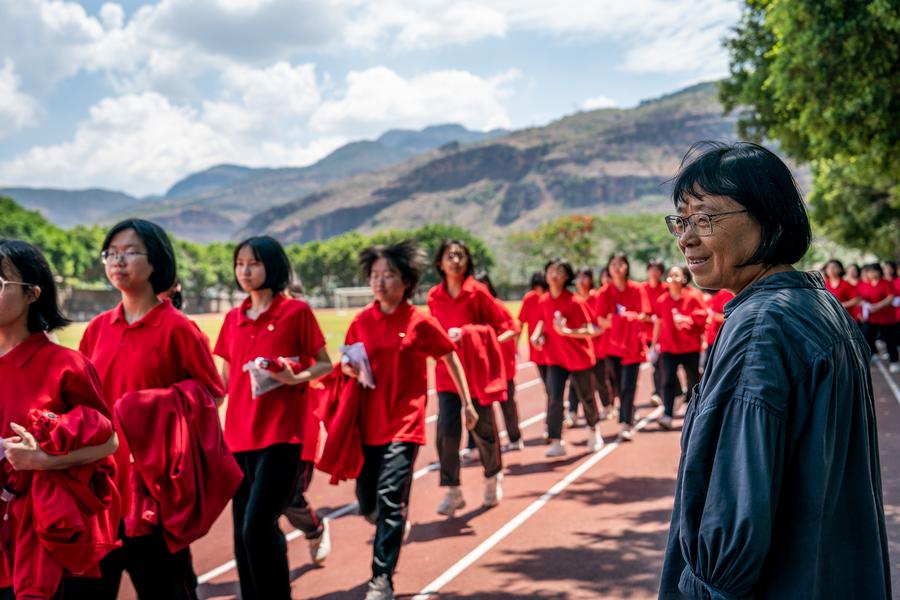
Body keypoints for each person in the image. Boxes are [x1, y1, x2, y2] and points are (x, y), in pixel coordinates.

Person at [659, 142, 890, 599]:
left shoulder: (761, 327)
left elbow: (732, 518)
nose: (686, 237)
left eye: (705, 218)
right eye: (681, 221)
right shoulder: (818, 305)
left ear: (771, 219)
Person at [72, 219, 225, 600]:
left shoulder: (178, 328)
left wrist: (151, 405)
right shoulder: (97, 329)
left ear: (155, 262)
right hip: (100, 493)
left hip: (154, 493)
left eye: (130, 252)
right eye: (111, 253)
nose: (117, 261)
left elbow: (211, 395)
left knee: (167, 590)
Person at [346, 241, 472, 600]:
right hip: (368, 424)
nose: (380, 282)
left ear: (407, 281)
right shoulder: (360, 322)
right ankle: (392, 521)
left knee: (388, 498)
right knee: (367, 500)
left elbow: (449, 356)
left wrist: (467, 403)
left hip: (404, 423)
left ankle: (380, 579)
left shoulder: (419, 321)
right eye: (375, 275)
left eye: (389, 275)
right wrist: (348, 368)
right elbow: (349, 361)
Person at [213, 237, 333, 600]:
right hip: (238, 437)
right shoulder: (233, 319)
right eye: (239, 264)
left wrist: (293, 376)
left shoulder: (296, 312)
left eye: (254, 263)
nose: (244, 271)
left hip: (283, 437)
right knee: (240, 534)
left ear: (273, 267)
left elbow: (324, 363)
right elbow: (223, 381)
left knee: (257, 526)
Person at [0, 240, 119, 599]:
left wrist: (44, 460)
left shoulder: (66, 365)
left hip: (40, 535)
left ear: (32, 293)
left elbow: (108, 441)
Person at [427, 240, 512, 516]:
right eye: (449, 255)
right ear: (440, 263)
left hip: (477, 377)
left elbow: (508, 326)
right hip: (447, 377)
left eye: (460, 255)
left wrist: (473, 338)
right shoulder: (433, 297)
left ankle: (492, 477)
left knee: (484, 432)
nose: (455, 260)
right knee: (446, 435)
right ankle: (453, 491)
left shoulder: (478, 293)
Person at [529, 258, 605, 457]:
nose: (554, 274)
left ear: (566, 277)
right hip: (555, 358)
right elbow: (543, 324)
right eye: (551, 270)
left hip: (578, 358)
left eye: (560, 271)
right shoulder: (544, 300)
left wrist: (567, 331)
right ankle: (556, 440)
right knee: (554, 398)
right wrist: (537, 336)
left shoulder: (575, 301)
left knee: (586, 397)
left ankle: (593, 430)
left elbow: (591, 330)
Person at [594, 253, 651, 440]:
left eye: (621, 264)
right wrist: (624, 319)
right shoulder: (603, 293)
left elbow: (643, 315)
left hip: (633, 346)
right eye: (613, 264)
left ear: (626, 267)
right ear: (608, 268)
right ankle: (629, 410)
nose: (617, 267)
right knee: (618, 386)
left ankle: (626, 423)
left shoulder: (637, 290)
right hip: (612, 348)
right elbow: (601, 320)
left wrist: (619, 319)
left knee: (628, 385)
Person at [649, 265, 706, 429]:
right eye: (670, 275)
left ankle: (696, 410)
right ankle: (667, 414)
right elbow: (658, 324)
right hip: (668, 348)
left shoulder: (694, 297)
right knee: (667, 379)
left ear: (684, 278)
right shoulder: (662, 300)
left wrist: (687, 319)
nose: (672, 278)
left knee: (693, 380)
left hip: (690, 348)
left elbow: (703, 318)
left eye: (676, 275)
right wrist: (653, 346)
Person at [474, 271, 524, 452]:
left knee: (507, 404)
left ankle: (514, 437)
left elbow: (514, 329)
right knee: (479, 408)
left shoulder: (497, 306)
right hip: (481, 368)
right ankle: (478, 445)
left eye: (483, 285)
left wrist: (494, 341)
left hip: (502, 365)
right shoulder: (472, 310)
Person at [856, 262, 898, 370]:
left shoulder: (886, 283)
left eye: (875, 271)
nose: (872, 274)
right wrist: (860, 312)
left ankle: (894, 361)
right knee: (866, 337)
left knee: (890, 340)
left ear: (880, 272)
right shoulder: (864, 284)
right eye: (870, 271)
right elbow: (859, 299)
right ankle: (872, 355)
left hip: (886, 318)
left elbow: (891, 297)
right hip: (870, 318)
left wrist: (877, 306)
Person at [641, 259, 667, 407]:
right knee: (655, 365)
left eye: (657, 270)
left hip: (662, 335)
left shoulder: (665, 289)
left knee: (660, 364)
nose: (654, 272)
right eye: (651, 269)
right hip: (646, 335)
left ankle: (658, 393)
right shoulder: (642, 289)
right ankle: (662, 392)